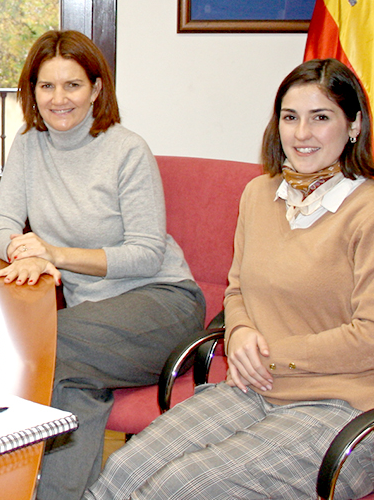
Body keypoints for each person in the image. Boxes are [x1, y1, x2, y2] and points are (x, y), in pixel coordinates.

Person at [85, 58, 374, 500]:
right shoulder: (260, 194)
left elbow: (369, 337)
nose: (302, 134)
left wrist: (270, 356)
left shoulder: (366, 211)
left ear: (353, 125)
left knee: (180, 487)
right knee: (124, 469)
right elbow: (237, 289)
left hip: (341, 407)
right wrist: (238, 332)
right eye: (290, 117)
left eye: (321, 118)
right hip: (252, 387)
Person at [0, 30, 205, 500]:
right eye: (47, 86)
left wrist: (55, 254)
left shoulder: (127, 150)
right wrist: (22, 250)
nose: (58, 98)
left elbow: (146, 253)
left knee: (40, 344)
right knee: (72, 384)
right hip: (93, 323)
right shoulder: (29, 145)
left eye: (73, 85)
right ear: (32, 91)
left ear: (96, 89)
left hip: (161, 304)